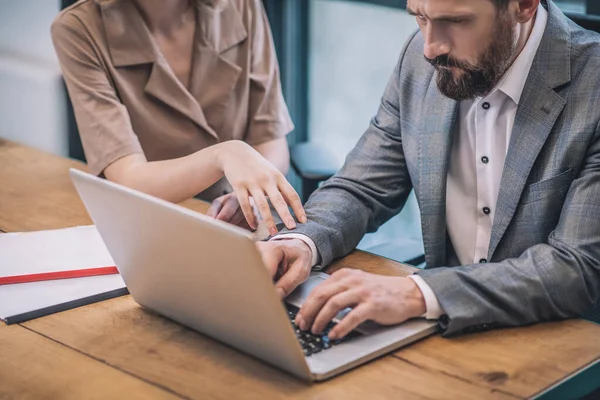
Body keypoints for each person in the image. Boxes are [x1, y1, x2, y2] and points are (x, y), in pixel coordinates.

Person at [257, 0, 600, 339]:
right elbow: (364, 186)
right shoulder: (422, 60)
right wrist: (302, 241)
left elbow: (577, 267)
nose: (430, 48)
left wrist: (416, 293)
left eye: (457, 21)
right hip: (439, 330)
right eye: (420, 17)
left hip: (558, 343)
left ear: (523, 6)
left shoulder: (593, 84)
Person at [51, 0, 305, 235]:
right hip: (152, 226)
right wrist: (223, 154)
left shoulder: (242, 4)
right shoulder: (78, 28)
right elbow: (129, 177)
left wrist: (246, 197)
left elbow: (270, 139)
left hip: (246, 222)